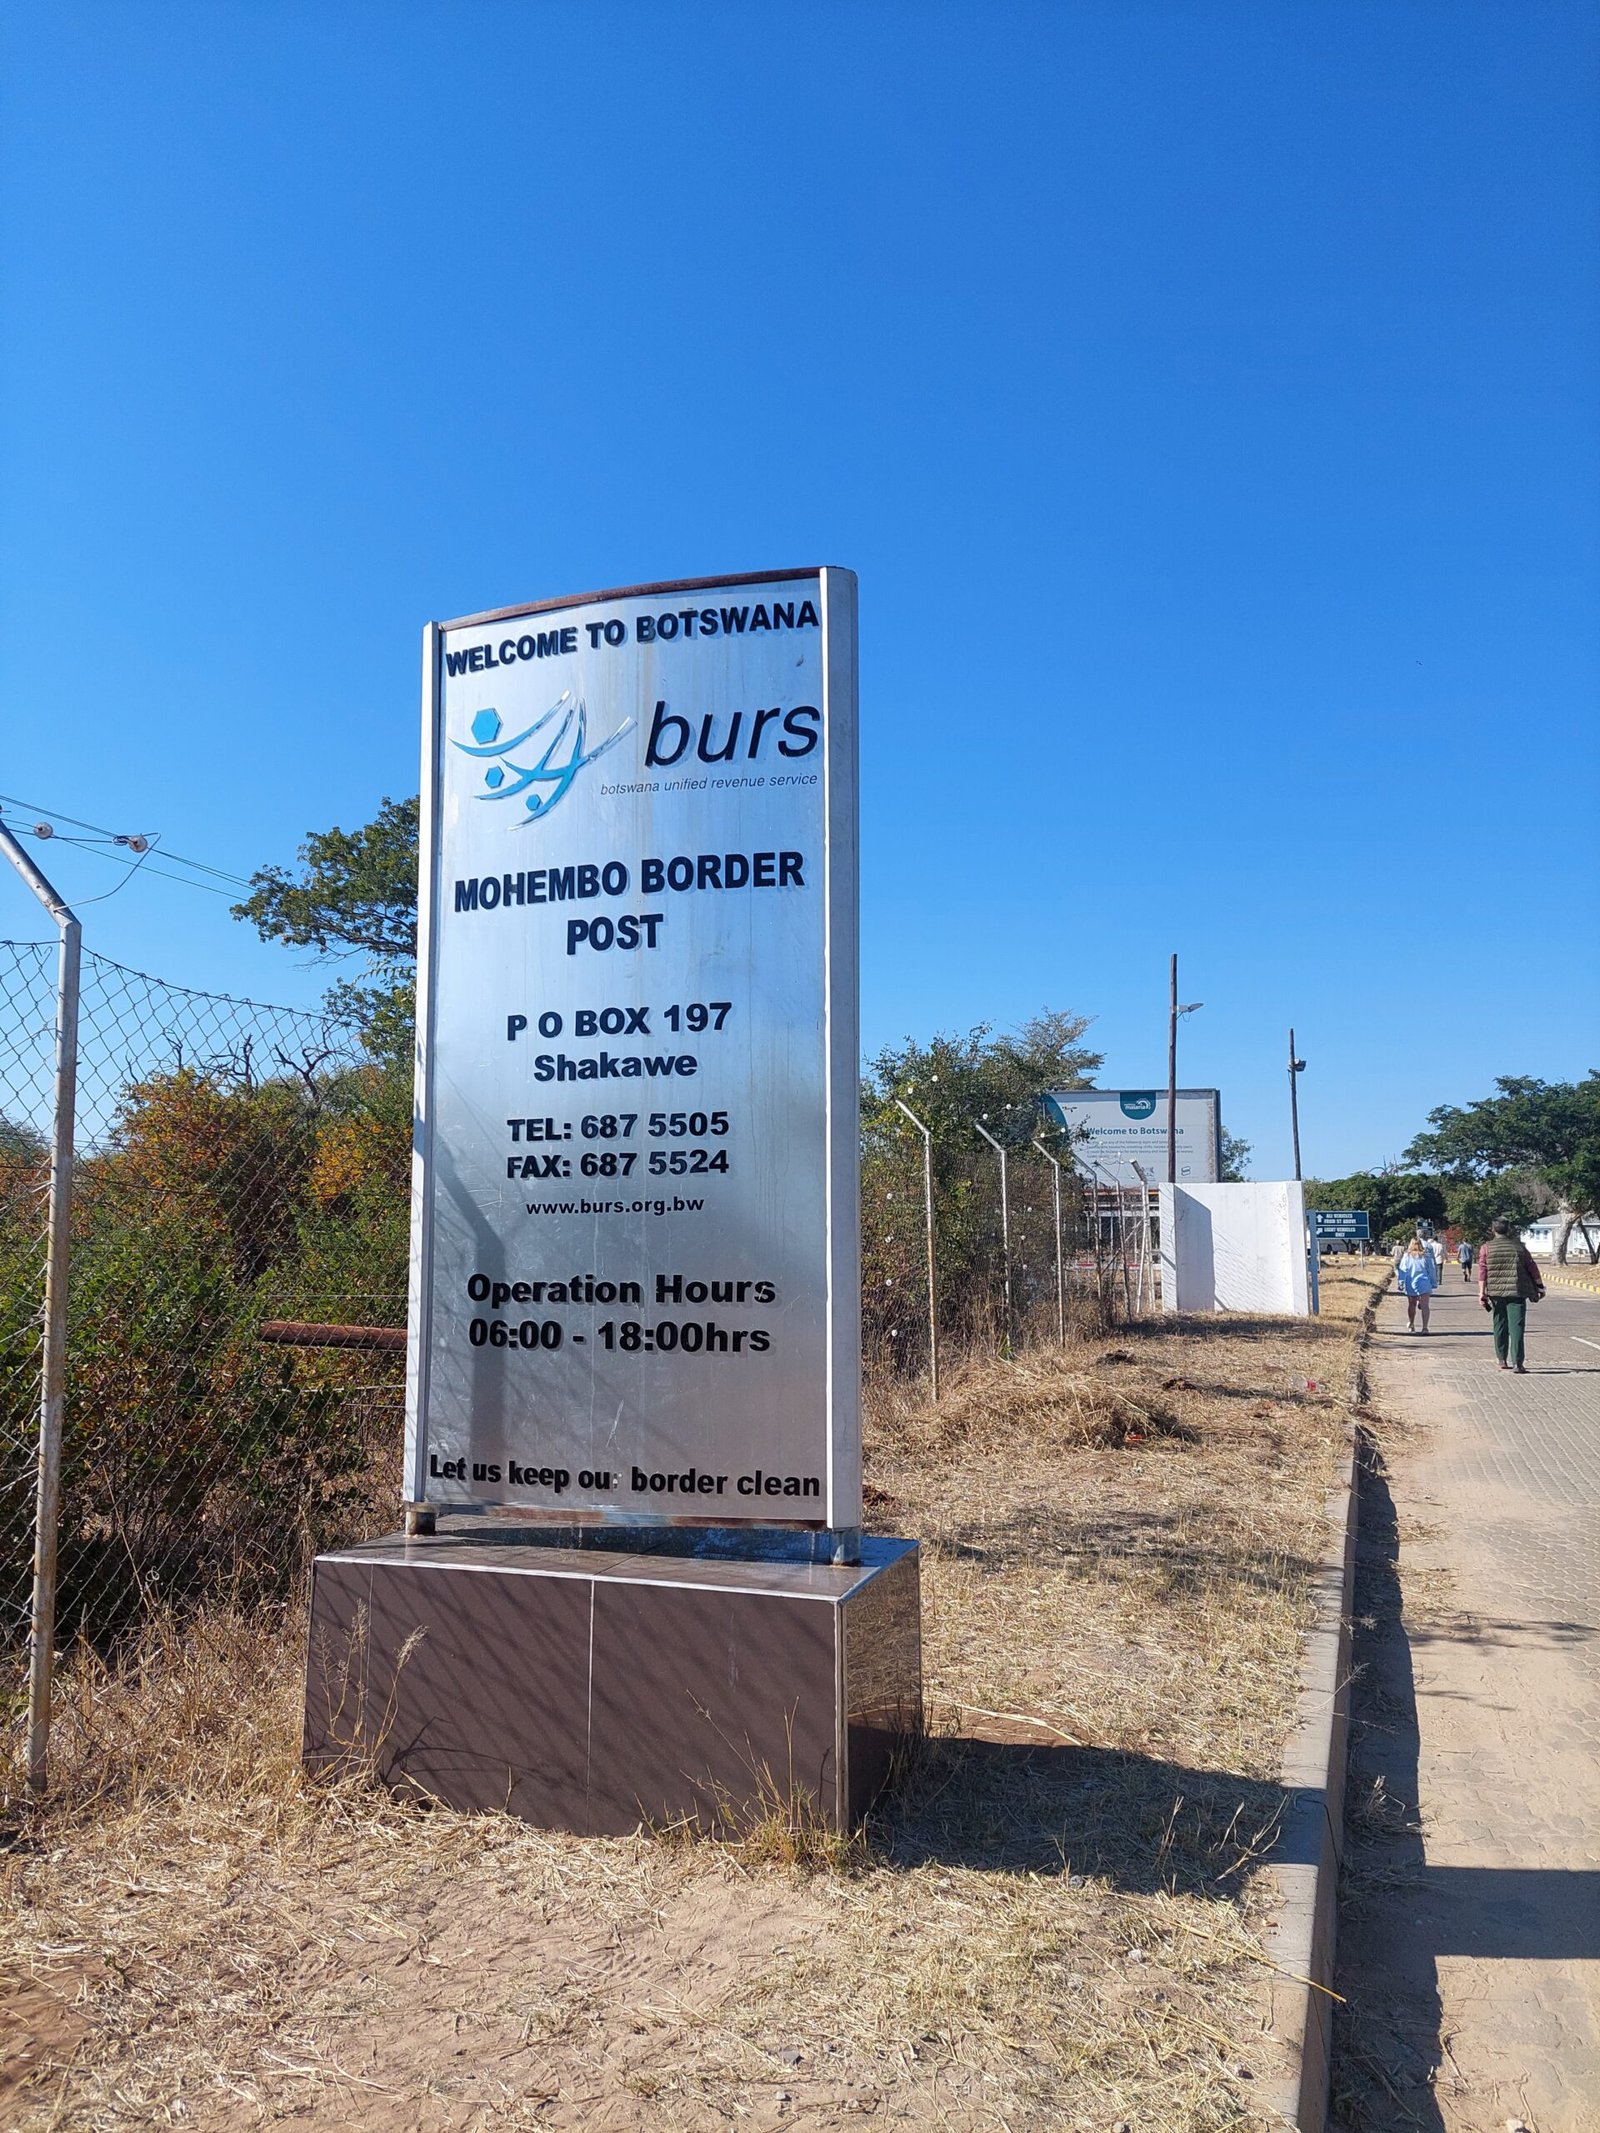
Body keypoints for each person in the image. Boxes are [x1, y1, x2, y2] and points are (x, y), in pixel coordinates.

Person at [1478, 1215, 1545, 1373]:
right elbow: (1532, 1267)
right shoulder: (1519, 1247)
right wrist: (1540, 1286)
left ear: (1493, 1230)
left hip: (1495, 1292)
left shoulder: (1486, 1248)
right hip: (1517, 1291)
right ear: (1508, 1230)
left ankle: (1502, 1359)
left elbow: (1482, 1271)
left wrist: (1481, 1293)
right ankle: (1518, 1363)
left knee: (1499, 1324)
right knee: (1517, 1326)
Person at [1396, 1235, 1438, 1332]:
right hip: (1424, 1283)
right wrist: (1433, 1282)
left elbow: (1403, 1270)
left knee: (1412, 1304)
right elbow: (1431, 1270)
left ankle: (1412, 1324)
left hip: (1411, 1283)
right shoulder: (1426, 1256)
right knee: (1425, 1306)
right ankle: (1425, 1327)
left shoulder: (1407, 1256)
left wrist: (1400, 1282)